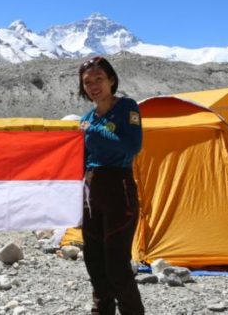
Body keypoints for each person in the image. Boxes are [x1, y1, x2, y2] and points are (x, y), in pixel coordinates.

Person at [78, 56, 145, 315]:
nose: (93, 85)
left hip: (119, 190)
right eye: (87, 82)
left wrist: (94, 131)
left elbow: (132, 145)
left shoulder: (127, 107)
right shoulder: (87, 117)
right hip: (90, 193)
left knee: (117, 266)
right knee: (94, 262)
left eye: (99, 79)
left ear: (112, 80)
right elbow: (82, 159)